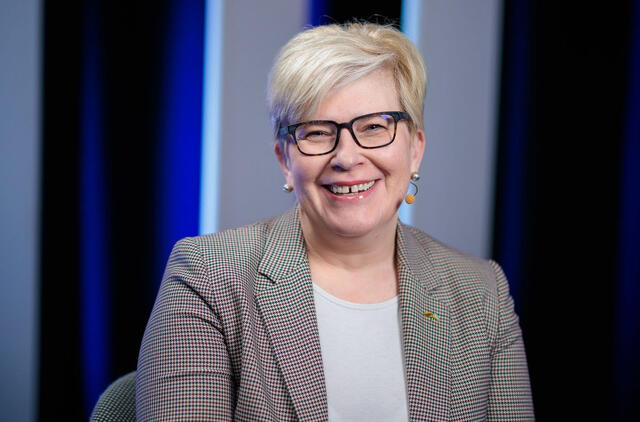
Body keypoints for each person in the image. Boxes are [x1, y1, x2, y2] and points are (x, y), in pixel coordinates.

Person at [136, 22, 534, 421]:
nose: (346, 157)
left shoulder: (483, 293)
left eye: (374, 127)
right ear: (284, 159)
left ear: (415, 149)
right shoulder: (208, 275)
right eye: (317, 133)